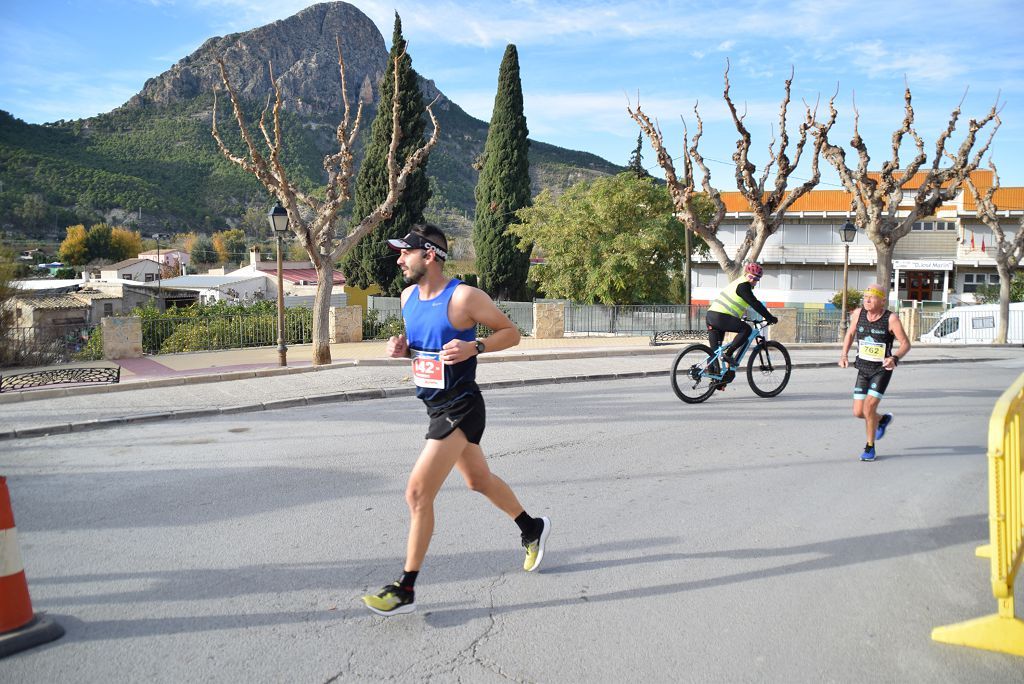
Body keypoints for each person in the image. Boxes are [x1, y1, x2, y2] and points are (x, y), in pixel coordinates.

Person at [361, 223, 551, 617]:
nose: (399, 260)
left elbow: (512, 333)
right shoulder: (407, 296)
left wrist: (475, 345)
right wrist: (402, 348)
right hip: (433, 405)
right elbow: (422, 346)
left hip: (462, 405)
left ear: (429, 255)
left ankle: (406, 588)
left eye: (405, 253)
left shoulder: (464, 297)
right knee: (478, 480)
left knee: (417, 493)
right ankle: (532, 527)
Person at [838, 283, 911, 462]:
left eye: (872, 297)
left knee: (869, 407)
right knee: (858, 412)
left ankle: (870, 447)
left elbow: (905, 344)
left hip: (881, 370)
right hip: (862, 369)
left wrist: (894, 358)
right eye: (865, 297)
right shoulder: (858, 314)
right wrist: (844, 354)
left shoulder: (890, 318)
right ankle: (882, 420)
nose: (867, 300)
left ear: (882, 300)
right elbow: (850, 334)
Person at [706, 262, 778, 385]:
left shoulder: (736, 283)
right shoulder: (743, 286)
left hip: (711, 316)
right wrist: (769, 317)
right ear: (746, 275)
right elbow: (754, 303)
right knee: (746, 330)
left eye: (757, 279)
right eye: (752, 277)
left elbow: (735, 303)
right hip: (721, 317)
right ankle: (729, 354)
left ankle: (716, 380)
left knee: (715, 351)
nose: (754, 281)